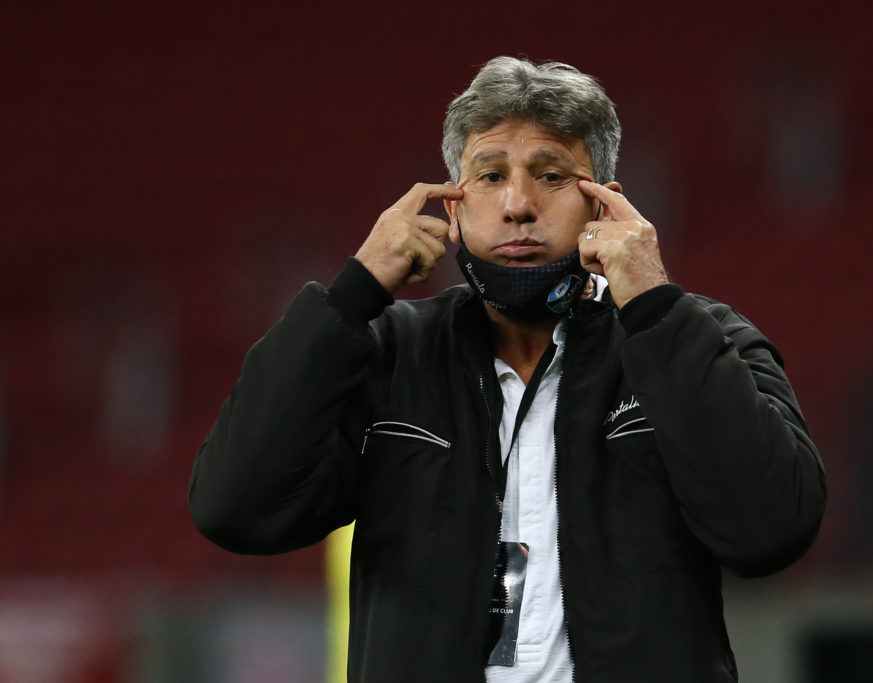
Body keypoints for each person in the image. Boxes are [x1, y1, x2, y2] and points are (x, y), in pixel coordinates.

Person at [189, 56, 827, 683]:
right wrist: (349, 299)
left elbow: (770, 529)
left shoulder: (698, 339)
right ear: (454, 210)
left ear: (605, 207)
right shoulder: (389, 353)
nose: (518, 204)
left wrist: (657, 307)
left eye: (552, 177)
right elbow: (234, 508)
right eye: (490, 177)